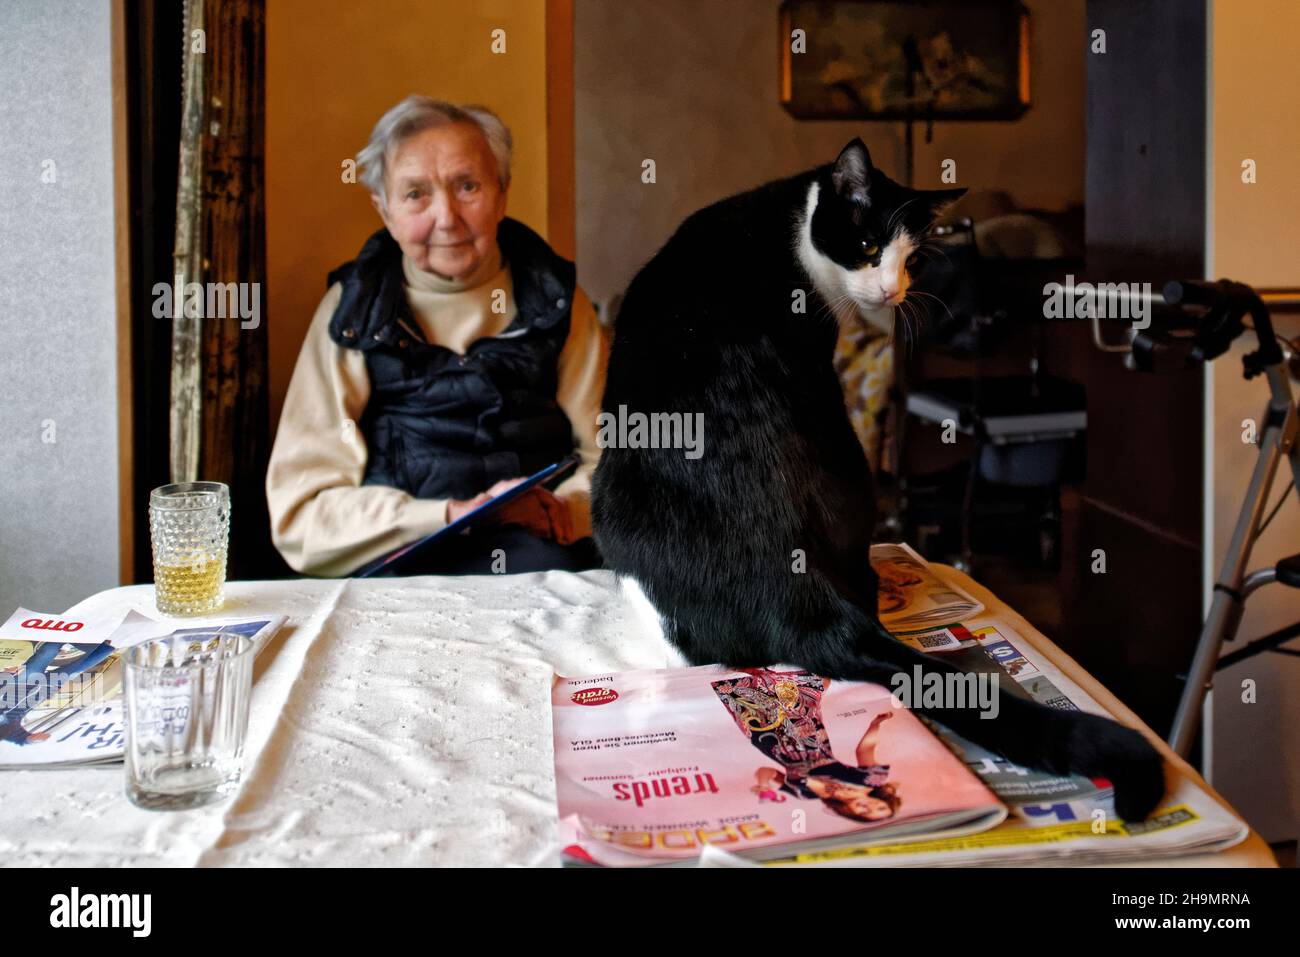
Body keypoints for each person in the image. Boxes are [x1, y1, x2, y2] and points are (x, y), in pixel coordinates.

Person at [267, 96, 608, 577]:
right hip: (399, 563)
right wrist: (439, 518)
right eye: (415, 195)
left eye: (467, 186)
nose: (447, 218)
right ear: (384, 211)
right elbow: (301, 514)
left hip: (537, 560)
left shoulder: (555, 299)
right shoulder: (352, 312)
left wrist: (561, 512)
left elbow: (613, 460)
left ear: (502, 193)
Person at [711, 669, 902, 823]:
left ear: (851, 812)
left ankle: (755, 673)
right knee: (807, 698)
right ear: (885, 801)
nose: (869, 806)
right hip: (813, 740)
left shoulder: (804, 794)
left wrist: (762, 784)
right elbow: (864, 750)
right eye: (880, 807)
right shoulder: (872, 781)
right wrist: (875, 724)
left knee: (755, 707)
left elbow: (767, 771)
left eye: (865, 812)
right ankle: (764, 672)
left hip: (775, 744)